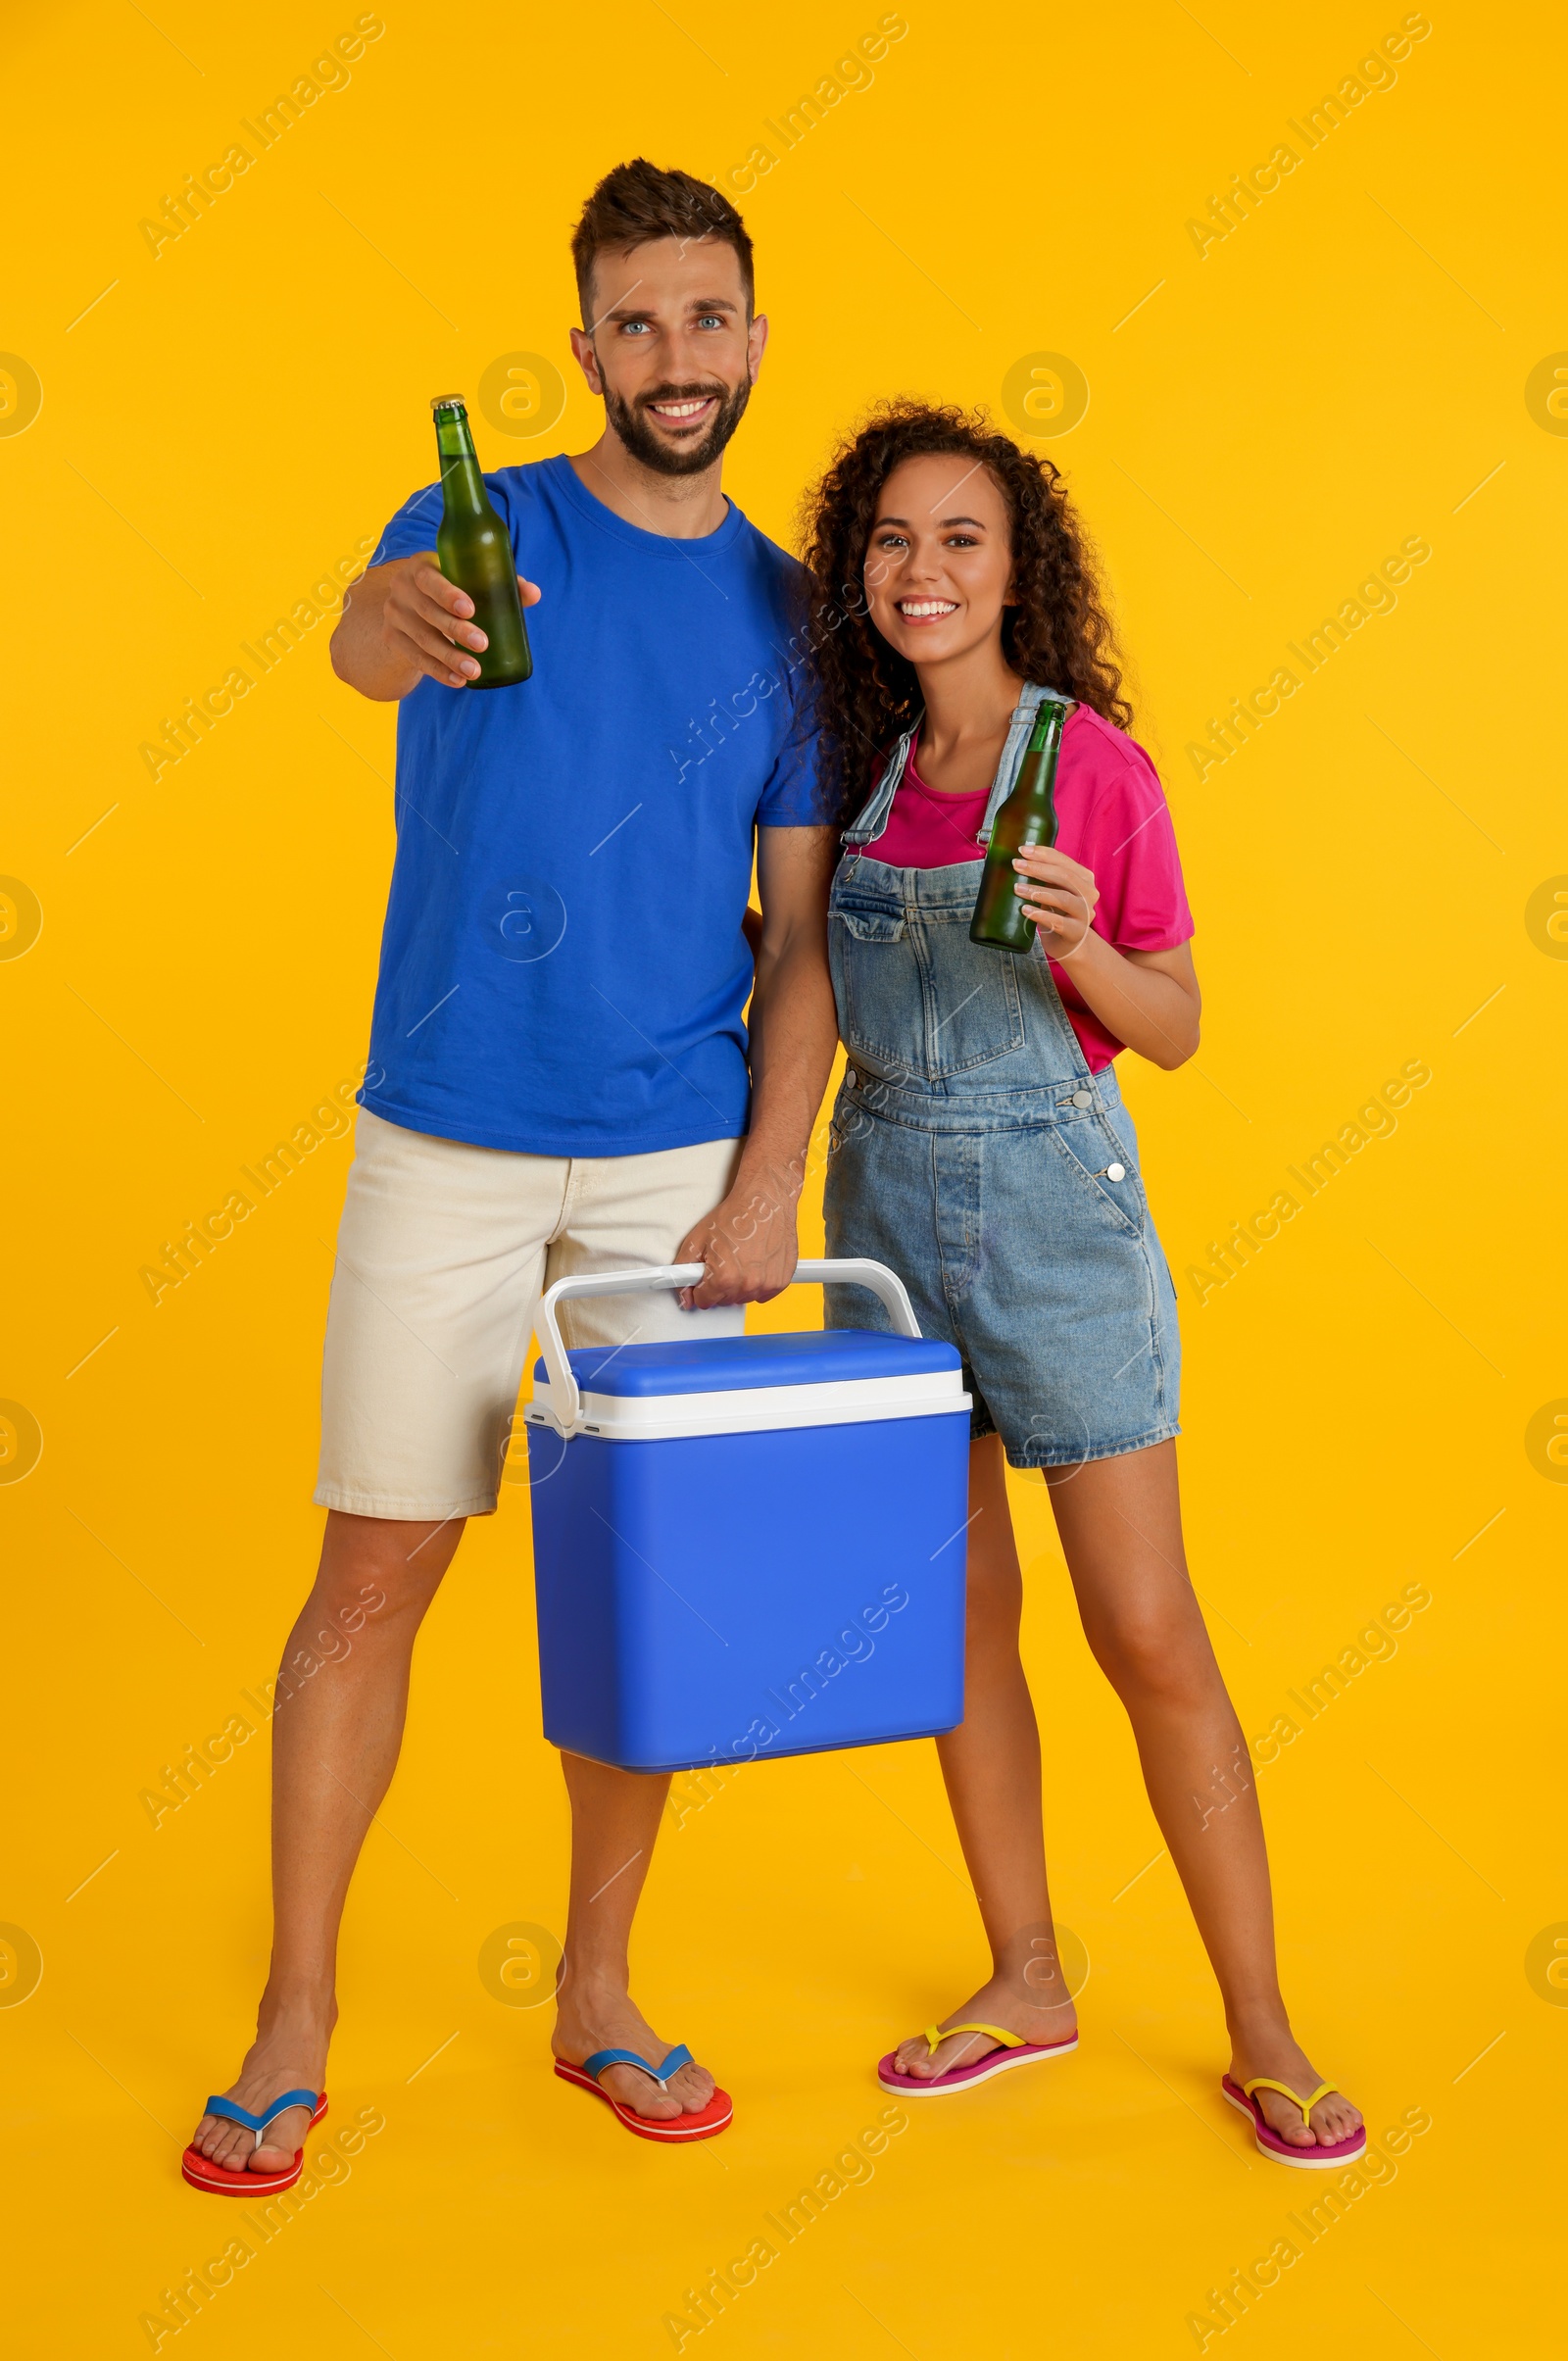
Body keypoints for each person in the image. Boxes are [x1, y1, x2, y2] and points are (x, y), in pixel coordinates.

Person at [182, 161, 839, 2188]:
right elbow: (369, 655)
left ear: (748, 333)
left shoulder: (794, 611)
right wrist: (374, 622)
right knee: (366, 1579)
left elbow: (800, 926)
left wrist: (762, 1182)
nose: (672, 356)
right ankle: (295, 2013)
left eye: (704, 317)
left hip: (668, 1162)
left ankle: (598, 1990)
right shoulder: (486, 530)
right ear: (583, 347)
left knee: (637, 1595)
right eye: (633, 322)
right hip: (445, 1136)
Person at [798, 403, 1365, 2165]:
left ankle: (1262, 2025)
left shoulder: (1093, 766)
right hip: (885, 1216)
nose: (925, 570)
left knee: (1145, 1630)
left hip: (1052, 1222)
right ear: (860, 571)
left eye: (961, 538)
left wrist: (1084, 945)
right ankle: (1025, 1975)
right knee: (960, 1627)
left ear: (1017, 568)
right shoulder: (857, 764)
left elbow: (1179, 1027)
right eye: (893, 539)